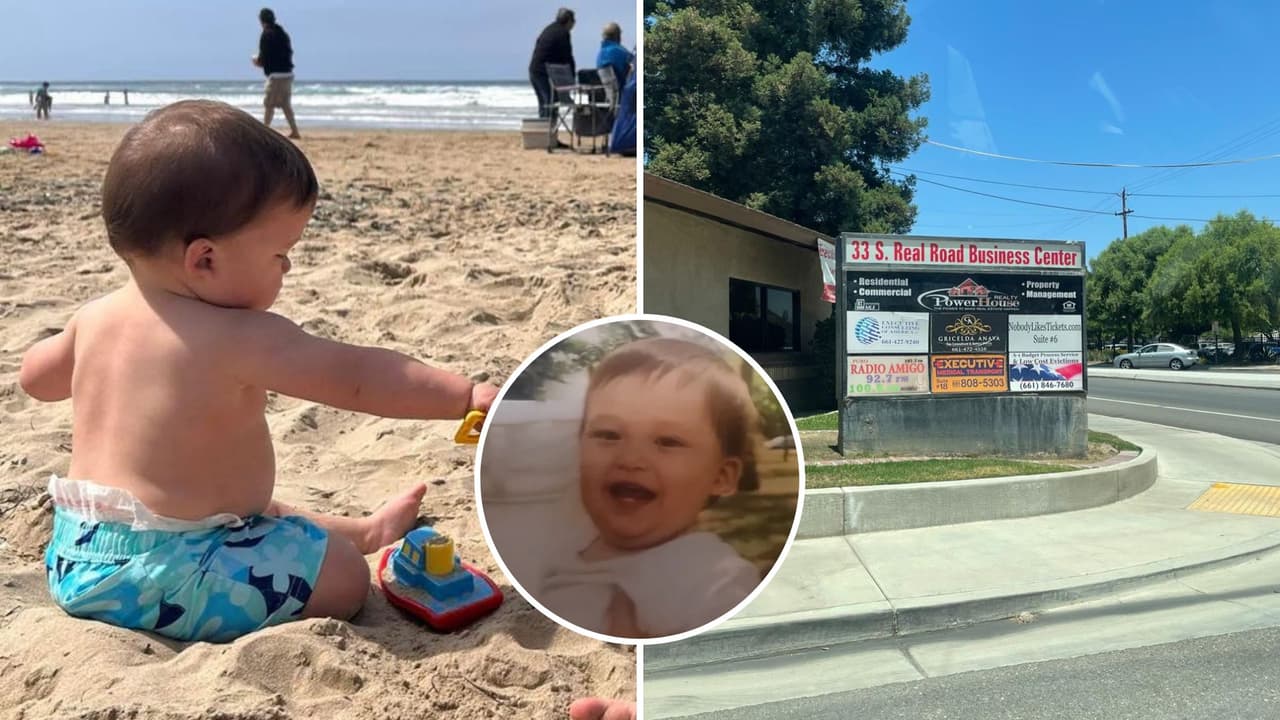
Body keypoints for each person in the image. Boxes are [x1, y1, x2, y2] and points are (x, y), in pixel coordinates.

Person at [20, 100, 499, 643]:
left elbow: (36, 380)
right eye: (280, 254)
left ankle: (368, 529)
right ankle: (355, 545)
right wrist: (464, 396)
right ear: (205, 260)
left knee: (253, 510)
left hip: (79, 553)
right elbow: (356, 376)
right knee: (344, 575)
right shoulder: (240, 336)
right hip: (168, 573)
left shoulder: (94, 317)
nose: (288, 267)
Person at [535, 337, 762, 639]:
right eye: (608, 434)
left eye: (667, 441)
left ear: (721, 476)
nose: (630, 459)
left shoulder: (714, 580)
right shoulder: (561, 544)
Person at [251, 7, 300, 139]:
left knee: (269, 104)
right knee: (285, 104)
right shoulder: (282, 33)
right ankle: (294, 130)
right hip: (288, 73)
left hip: (276, 75)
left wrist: (257, 61)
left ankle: (264, 131)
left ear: (262, 20)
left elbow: (265, 57)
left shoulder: (266, 34)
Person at [529, 8, 575, 119]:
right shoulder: (563, 33)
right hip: (543, 72)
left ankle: (546, 134)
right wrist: (572, 78)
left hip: (534, 70)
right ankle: (549, 134)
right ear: (568, 21)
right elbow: (567, 58)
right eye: (573, 20)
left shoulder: (550, 29)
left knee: (545, 105)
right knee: (550, 104)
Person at [595, 23, 633, 91]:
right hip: (623, 94)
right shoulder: (620, 52)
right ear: (617, 36)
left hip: (610, 95)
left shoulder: (600, 54)